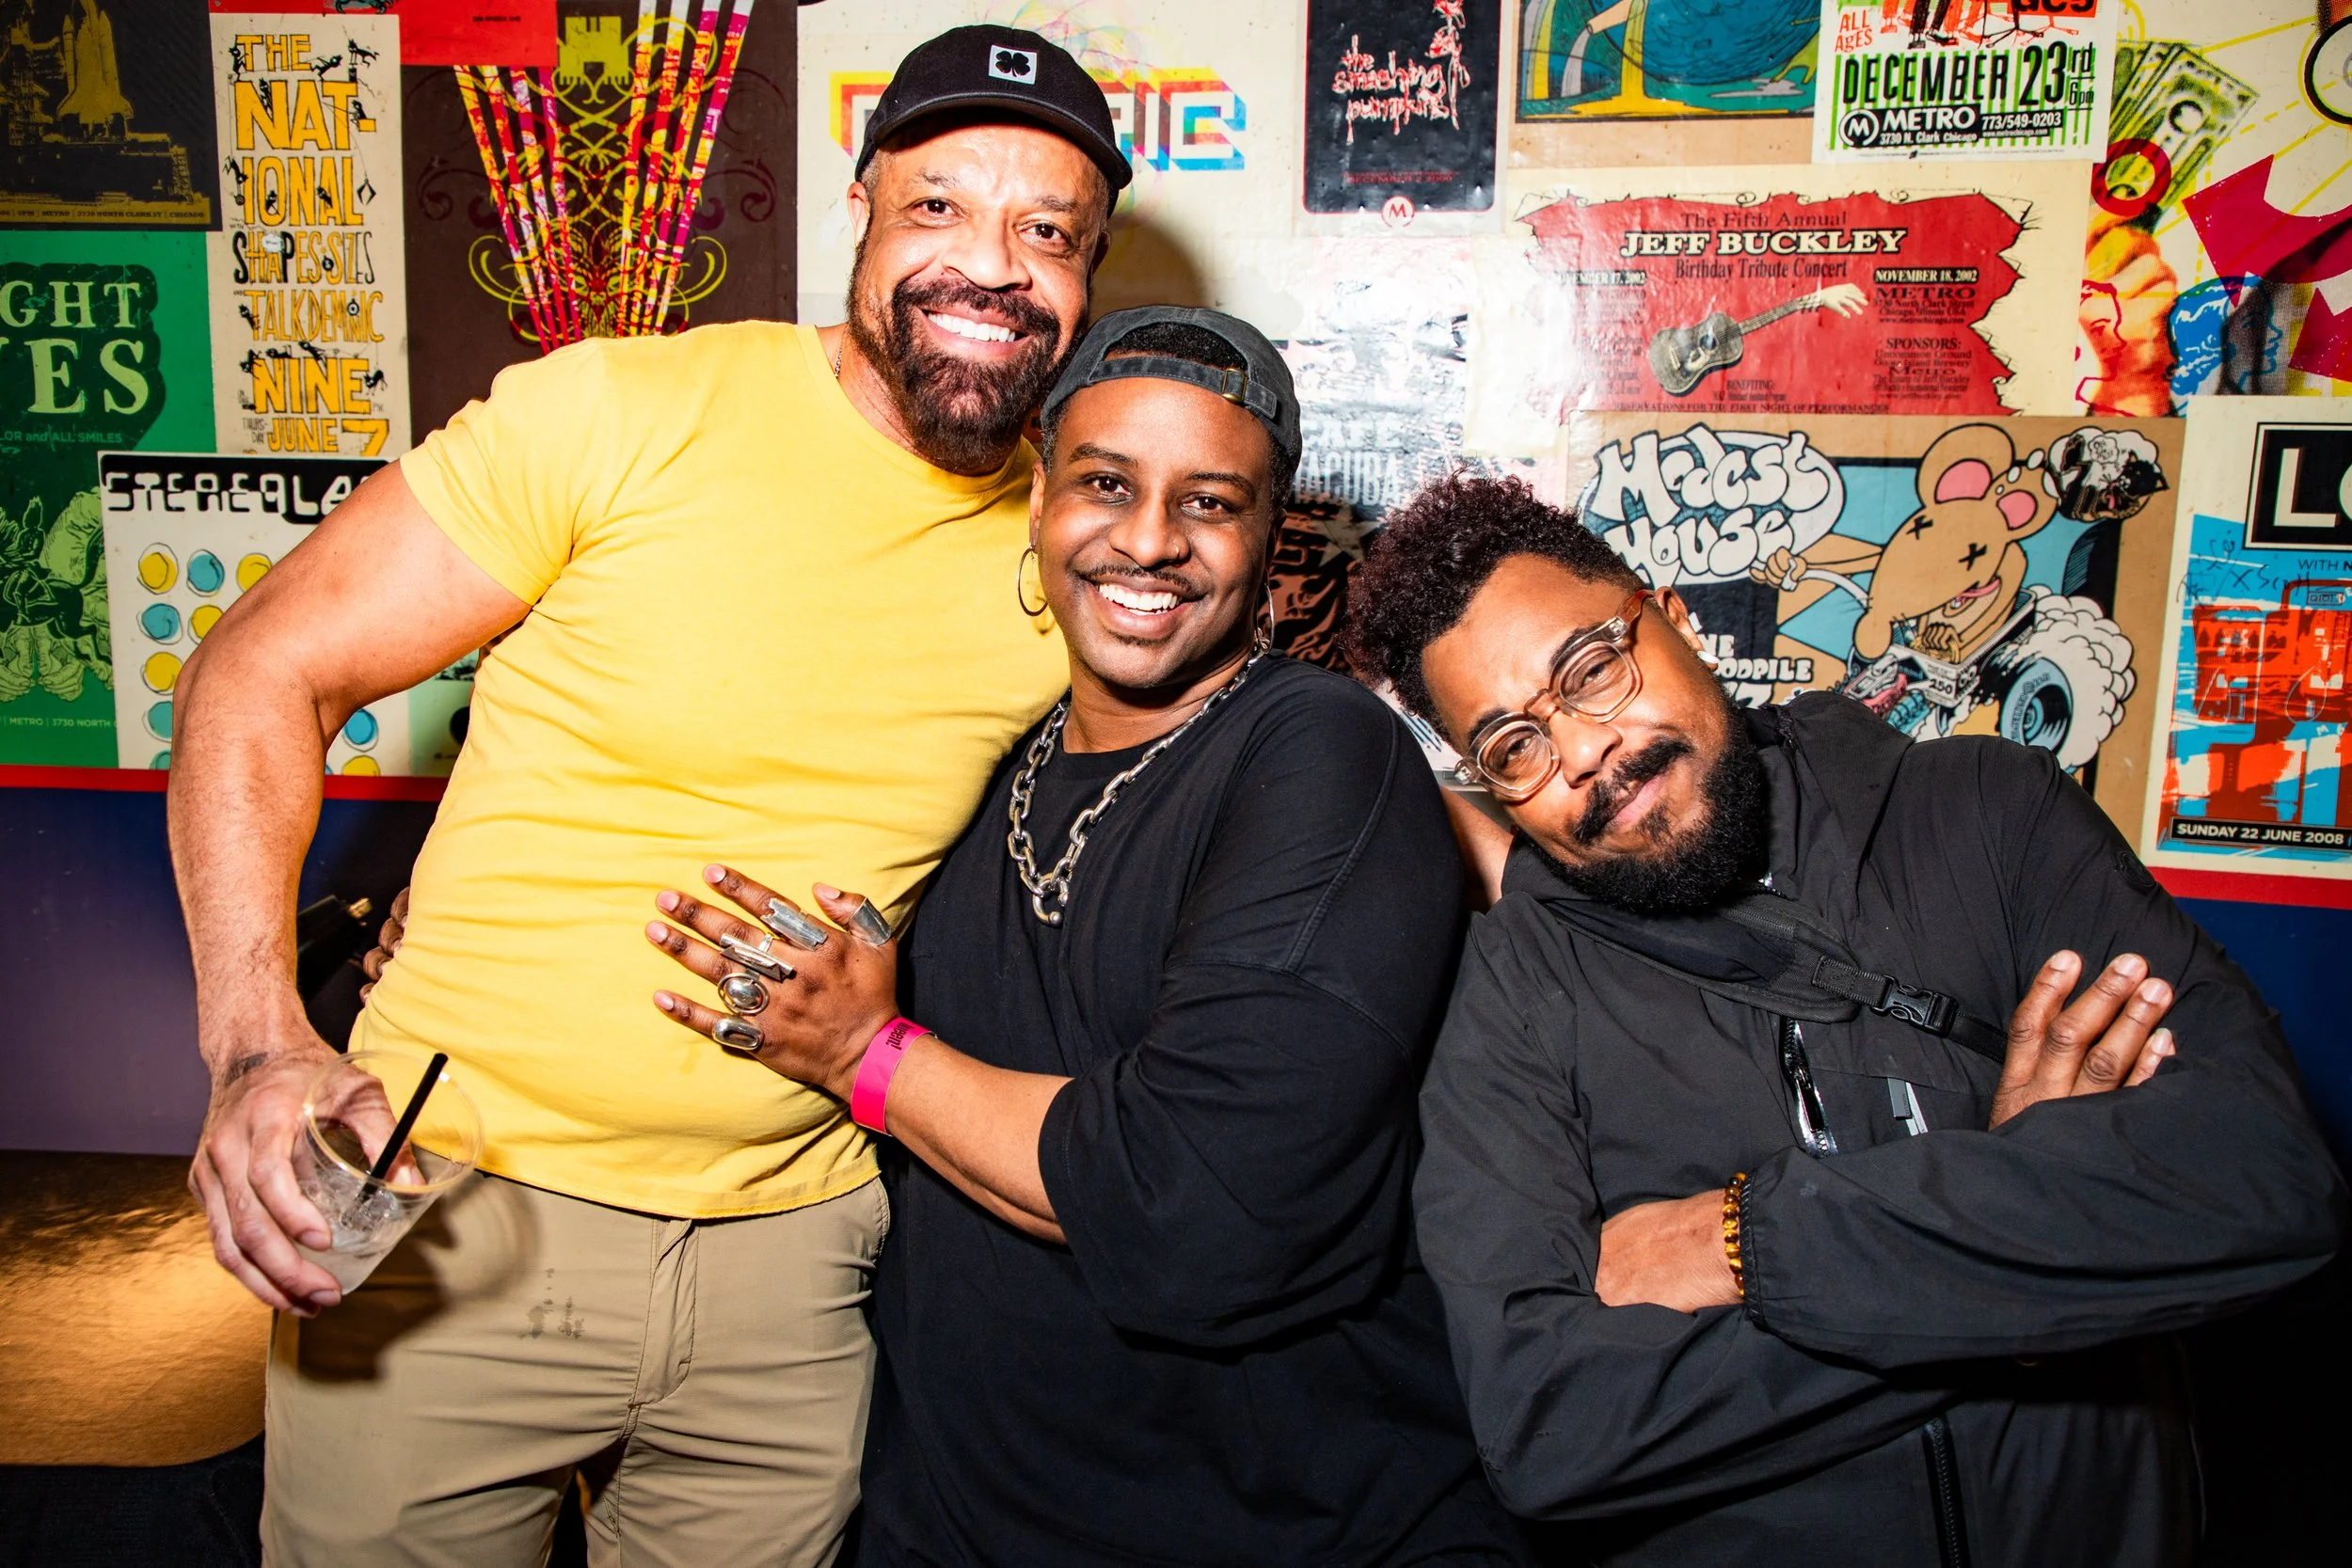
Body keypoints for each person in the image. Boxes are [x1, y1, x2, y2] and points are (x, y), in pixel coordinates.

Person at [167, 25, 1126, 1566]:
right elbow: (262, 668)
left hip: (799, 1263)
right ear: (863, 207)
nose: (993, 266)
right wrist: (259, 1041)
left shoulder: (1076, 553)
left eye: (1048, 232)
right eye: (941, 206)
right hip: (448, 1204)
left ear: (1088, 274)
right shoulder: (620, 409)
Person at [630, 309, 1529, 1564]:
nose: (1148, 539)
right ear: (1038, 502)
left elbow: (1195, 1202)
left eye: (1209, 502)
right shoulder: (972, 746)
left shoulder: (1317, 749)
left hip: (1289, 1523)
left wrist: (865, 1056)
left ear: (1270, 538)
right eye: (1106, 483)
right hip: (948, 1515)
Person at [1343, 474, 2346, 1567]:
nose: (1580, 750)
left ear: (1675, 620)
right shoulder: (1507, 992)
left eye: (1590, 670)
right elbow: (1548, 1424)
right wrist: (2027, 1267)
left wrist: (1745, 1239)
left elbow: (2267, 1173)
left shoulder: (1989, 810)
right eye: (1513, 746)